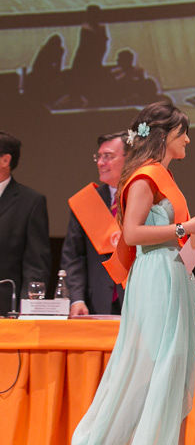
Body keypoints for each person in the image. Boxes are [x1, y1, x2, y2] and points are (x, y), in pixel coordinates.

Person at [62, 102, 195, 445]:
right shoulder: (147, 176)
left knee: (174, 375)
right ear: (165, 136)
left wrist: (194, 233)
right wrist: (186, 227)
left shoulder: (161, 175)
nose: (188, 140)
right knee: (159, 372)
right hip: (156, 278)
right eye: (183, 132)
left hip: (171, 272)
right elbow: (131, 232)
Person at [60, 132, 127, 316]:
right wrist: (77, 299)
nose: (100, 163)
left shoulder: (147, 199)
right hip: (95, 305)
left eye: (108, 156)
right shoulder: (87, 202)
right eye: (99, 156)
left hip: (139, 303)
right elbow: (73, 257)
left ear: (129, 158)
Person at [0, 132, 51, 313]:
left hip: (6, 308)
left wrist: (27, 309)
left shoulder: (30, 202)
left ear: (5, 160)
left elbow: (36, 263)